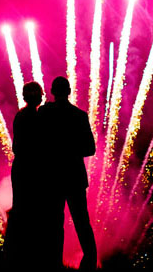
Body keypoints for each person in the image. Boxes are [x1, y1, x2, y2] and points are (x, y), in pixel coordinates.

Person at [38, 77, 98, 271]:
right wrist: (71, 150)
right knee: (81, 221)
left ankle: (53, 263)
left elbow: (37, 144)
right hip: (74, 177)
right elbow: (90, 148)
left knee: (53, 222)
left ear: (52, 91)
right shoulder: (79, 116)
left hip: (52, 177)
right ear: (69, 91)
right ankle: (90, 261)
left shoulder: (45, 113)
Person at [5, 82, 54, 270]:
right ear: (38, 96)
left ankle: (14, 255)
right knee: (34, 211)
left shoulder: (20, 116)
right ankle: (31, 257)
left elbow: (16, 146)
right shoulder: (39, 117)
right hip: (34, 169)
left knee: (20, 209)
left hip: (21, 167)